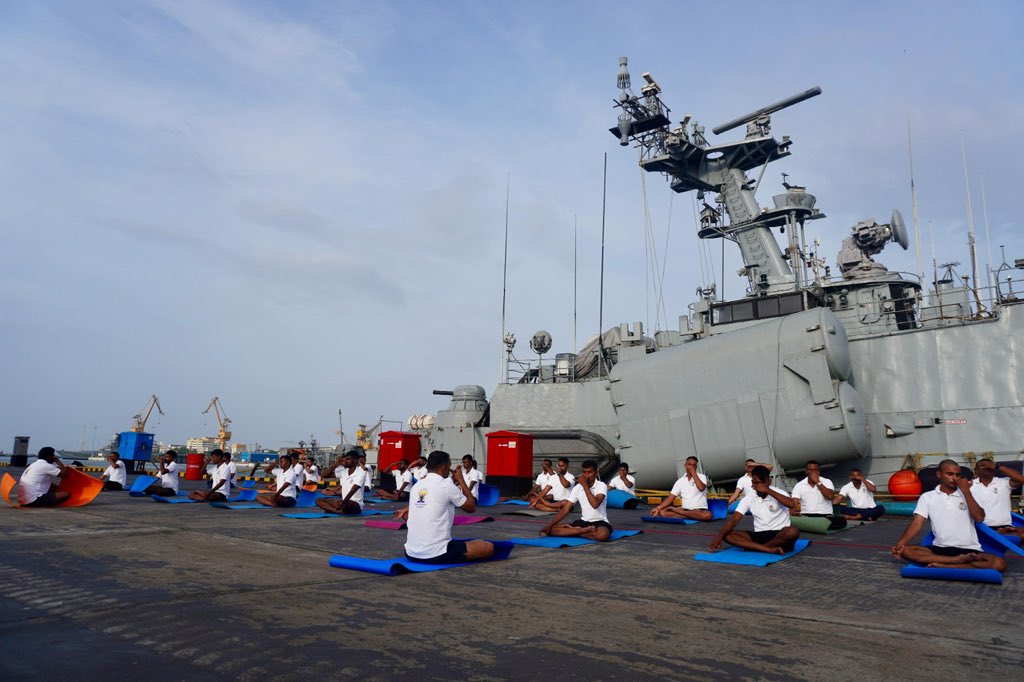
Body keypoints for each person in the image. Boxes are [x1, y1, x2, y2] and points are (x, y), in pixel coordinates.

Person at [891, 459, 1007, 571]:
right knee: (905, 550)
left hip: (969, 549)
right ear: (939, 474)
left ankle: (946, 565)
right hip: (940, 548)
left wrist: (966, 491)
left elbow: (979, 518)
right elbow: (917, 522)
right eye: (950, 474)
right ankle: (956, 561)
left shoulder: (970, 494)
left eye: (957, 475)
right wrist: (900, 543)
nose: (954, 478)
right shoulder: (927, 497)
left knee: (999, 563)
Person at [396, 450, 495, 564]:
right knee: (488, 547)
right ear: (443, 467)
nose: (450, 469)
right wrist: (461, 480)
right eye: (449, 466)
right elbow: (472, 507)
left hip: (410, 553)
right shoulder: (446, 485)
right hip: (436, 554)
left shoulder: (417, 486)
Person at [710, 465, 800, 555]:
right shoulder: (749, 498)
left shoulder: (779, 493)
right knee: (726, 534)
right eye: (756, 483)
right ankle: (768, 549)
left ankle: (760, 548)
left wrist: (767, 490)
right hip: (759, 534)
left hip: (780, 534)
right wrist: (719, 537)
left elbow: (792, 504)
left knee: (792, 532)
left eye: (763, 483)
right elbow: (734, 519)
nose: (760, 486)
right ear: (752, 483)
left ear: (769, 482)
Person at [539, 460, 613, 541]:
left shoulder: (601, 485)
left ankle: (575, 531)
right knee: (550, 530)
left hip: (599, 521)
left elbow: (595, 504)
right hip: (584, 522)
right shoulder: (578, 487)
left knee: (603, 535)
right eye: (584, 472)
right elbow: (566, 509)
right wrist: (550, 525)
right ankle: (583, 531)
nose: (586, 475)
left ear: (596, 473)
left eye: (589, 472)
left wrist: (584, 485)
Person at [971, 458, 1024, 540]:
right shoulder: (969, 485)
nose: (987, 467)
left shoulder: (1003, 482)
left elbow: (1022, 479)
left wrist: (998, 466)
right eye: (982, 465)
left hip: (1006, 528)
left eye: (989, 466)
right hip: (981, 529)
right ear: (976, 471)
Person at [649, 456, 712, 521]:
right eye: (689, 464)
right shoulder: (680, 481)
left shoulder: (702, 477)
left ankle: (681, 513)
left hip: (699, 510)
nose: (691, 467)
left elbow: (701, 488)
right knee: (662, 512)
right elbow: (671, 497)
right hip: (685, 509)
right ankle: (689, 515)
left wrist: (693, 473)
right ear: (685, 465)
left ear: (696, 467)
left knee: (708, 515)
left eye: (693, 465)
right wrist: (657, 508)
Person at [790, 460, 846, 530]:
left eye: (815, 470)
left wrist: (818, 482)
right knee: (792, 520)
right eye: (810, 470)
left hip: (825, 516)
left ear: (819, 471)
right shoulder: (799, 485)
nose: (813, 472)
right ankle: (816, 525)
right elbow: (794, 503)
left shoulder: (827, 481)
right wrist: (790, 515)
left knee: (842, 521)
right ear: (806, 471)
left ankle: (811, 526)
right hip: (806, 515)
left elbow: (830, 497)